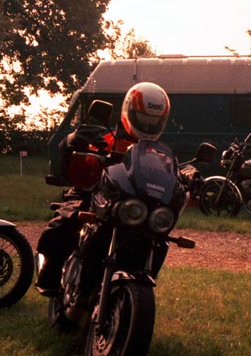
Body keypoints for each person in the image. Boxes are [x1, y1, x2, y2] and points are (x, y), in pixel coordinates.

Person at [34, 82, 171, 296]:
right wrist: (76, 143)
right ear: (128, 112)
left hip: (132, 206)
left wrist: (189, 174)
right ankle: (50, 272)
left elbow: (169, 171)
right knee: (68, 221)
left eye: (153, 122)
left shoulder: (157, 153)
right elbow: (78, 167)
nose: (147, 126)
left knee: (158, 237)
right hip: (95, 195)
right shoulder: (105, 138)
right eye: (143, 119)